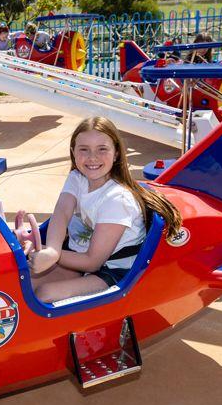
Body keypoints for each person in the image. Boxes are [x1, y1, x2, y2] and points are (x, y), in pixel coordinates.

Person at [29, 117, 182, 303]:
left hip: (113, 270)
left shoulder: (117, 199)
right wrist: (51, 250)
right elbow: (62, 212)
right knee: (25, 283)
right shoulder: (77, 177)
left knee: (45, 294)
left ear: (116, 153)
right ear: (73, 152)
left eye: (102, 149)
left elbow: (93, 262)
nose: (92, 157)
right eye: (84, 149)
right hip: (83, 254)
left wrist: (53, 255)